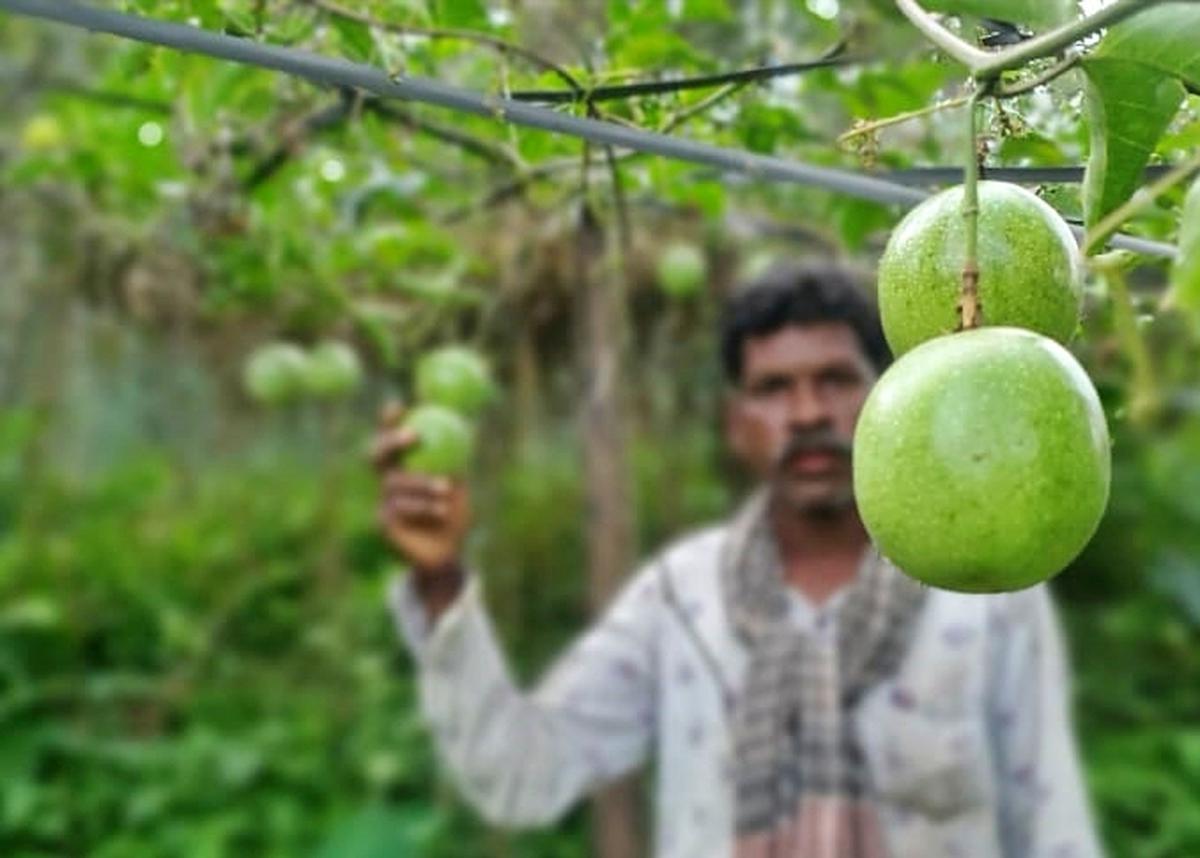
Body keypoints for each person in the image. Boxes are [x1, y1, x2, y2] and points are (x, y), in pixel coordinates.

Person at [370, 260, 1104, 858]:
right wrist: (440, 581)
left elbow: (1052, 824)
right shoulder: (680, 598)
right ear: (737, 424)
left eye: (836, 380)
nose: (808, 413)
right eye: (774, 389)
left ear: (892, 397)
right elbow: (522, 774)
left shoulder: (985, 596)